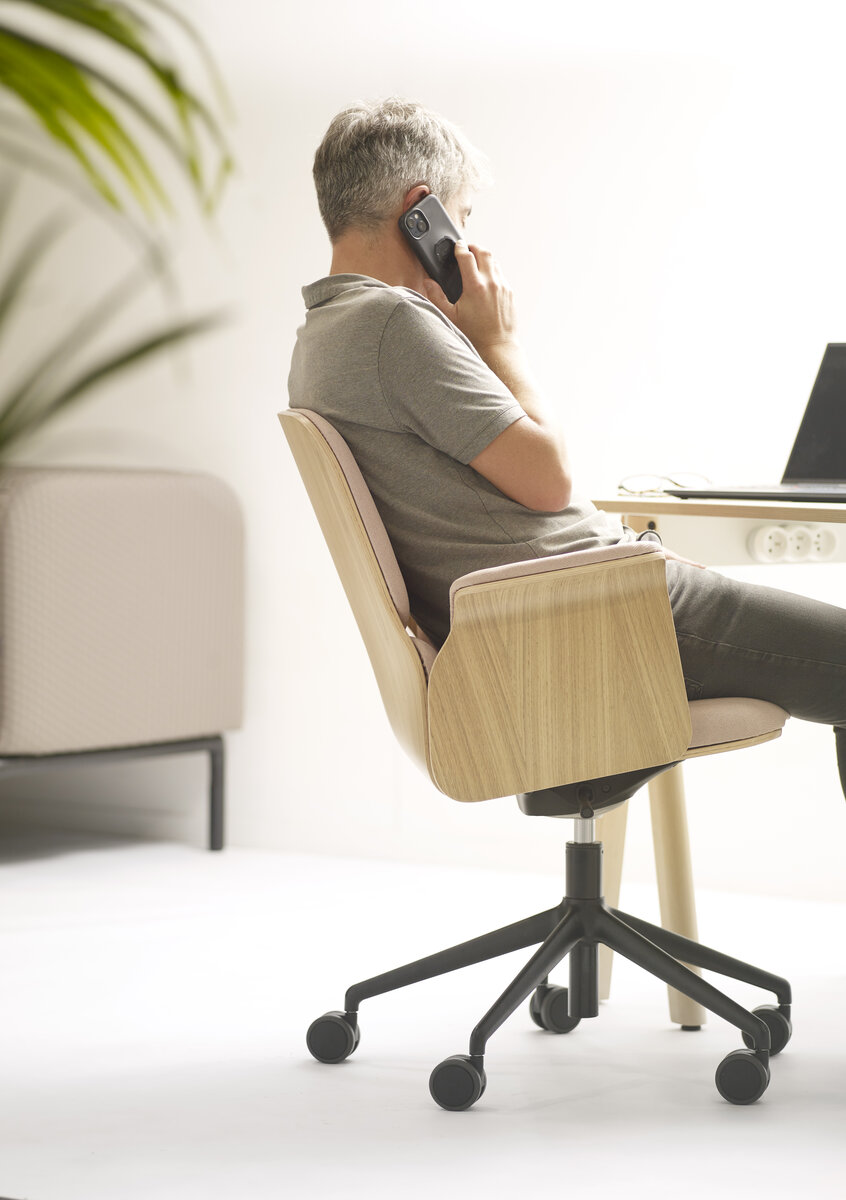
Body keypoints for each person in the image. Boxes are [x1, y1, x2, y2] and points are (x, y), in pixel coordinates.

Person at [288, 97, 846, 798]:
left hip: (563, 611)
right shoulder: (392, 322)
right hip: (593, 621)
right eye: (461, 217)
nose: (464, 241)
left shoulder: (320, 336)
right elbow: (549, 480)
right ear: (419, 212)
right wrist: (500, 341)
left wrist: (631, 554)